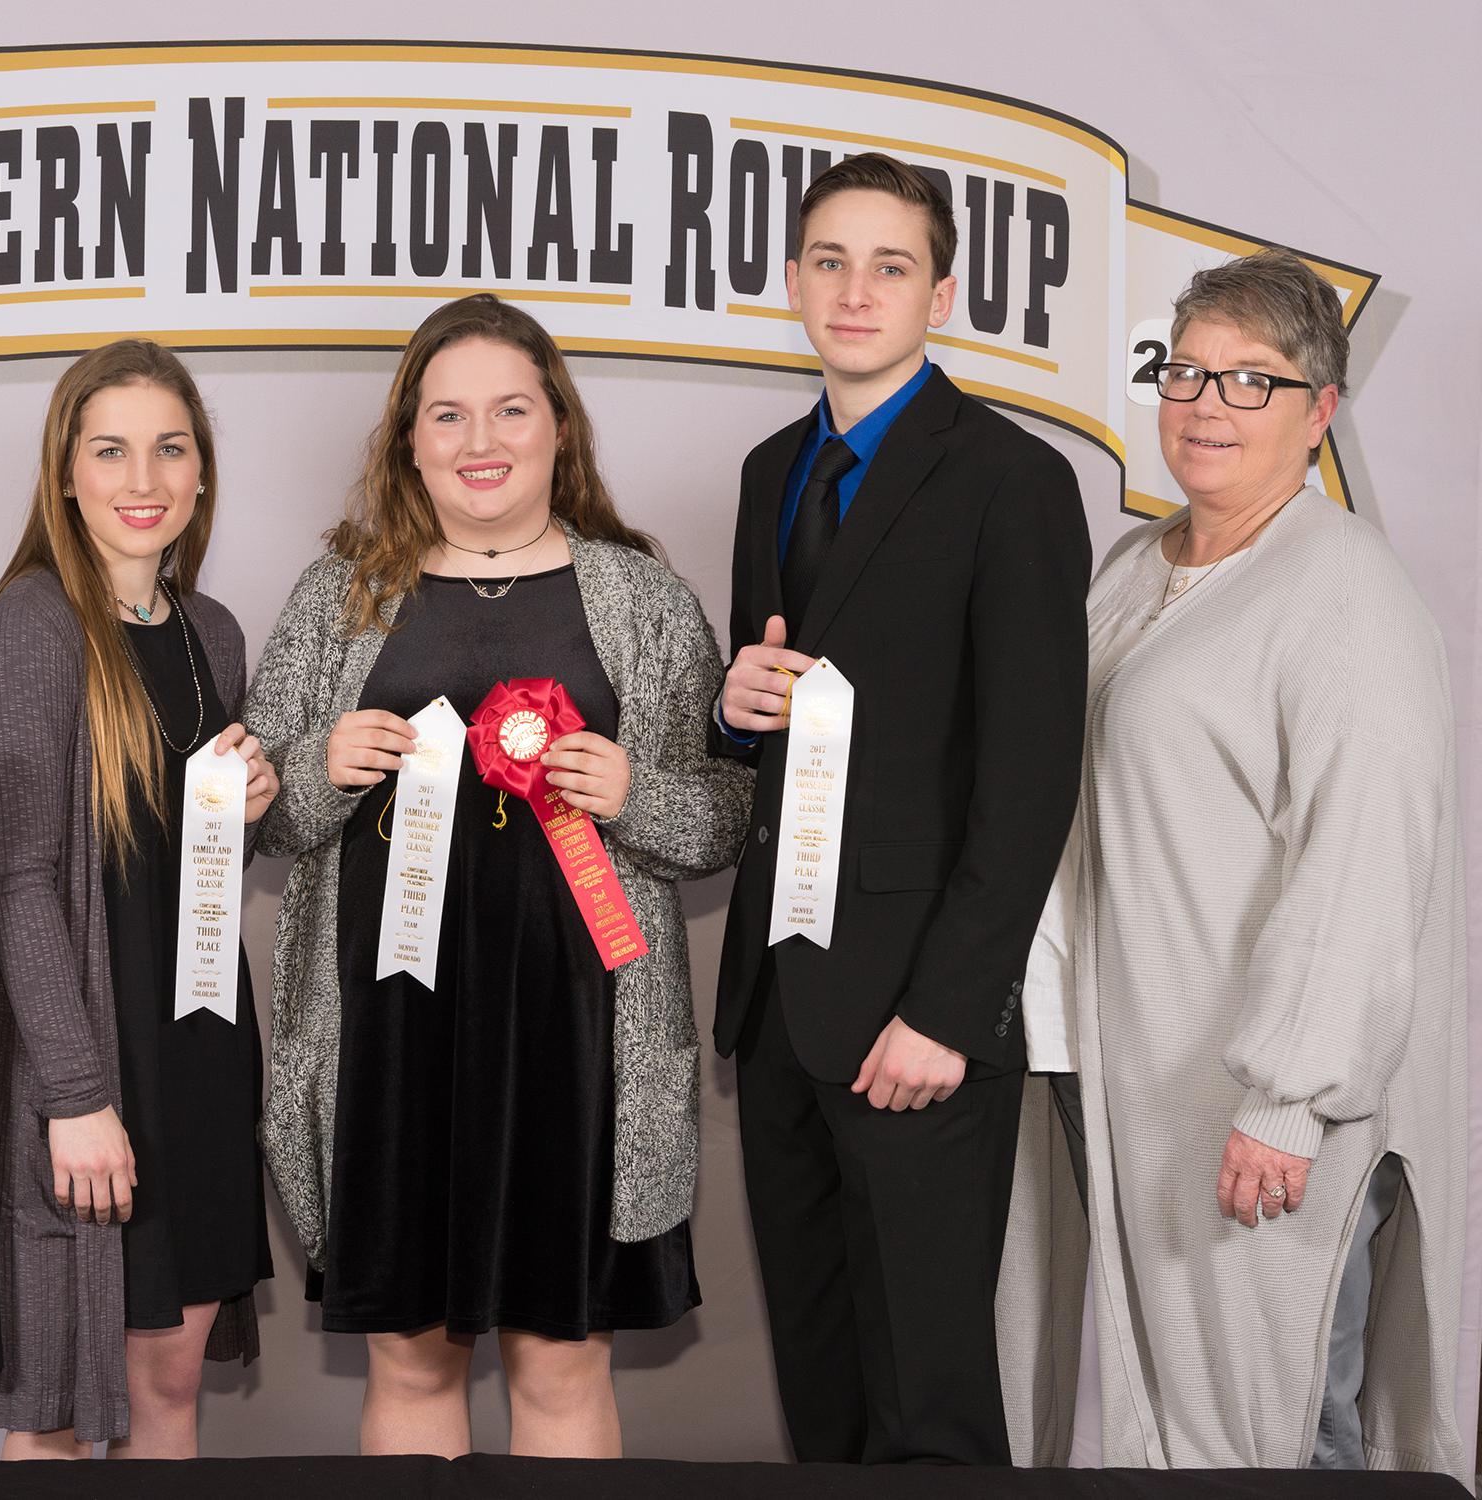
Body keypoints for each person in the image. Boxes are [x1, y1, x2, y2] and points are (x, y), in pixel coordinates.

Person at [242, 293, 750, 1458]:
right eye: (448, 414)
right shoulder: (338, 597)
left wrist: (637, 795)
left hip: (578, 1042)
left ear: (556, 427)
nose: (481, 441)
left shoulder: (641, 598)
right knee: (410, 1368)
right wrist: (312, 769)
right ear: (407, 440)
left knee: (561, 1370)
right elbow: (261, 808)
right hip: (385, 1042)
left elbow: (724, 814)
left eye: (510, 409)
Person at [1018, 248, 1465, 1474]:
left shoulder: (1343, 592)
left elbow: (1364, 858)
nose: (1206, 404)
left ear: (1319, 411)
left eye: (1251, 382)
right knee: (1176, 1423)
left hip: (1267, 1110)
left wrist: (1288, 1097)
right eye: (1185, 371)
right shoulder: (1131, 569)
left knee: (1271, 1423)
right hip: (1143, 1082)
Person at [711, 153, 1090, 1465]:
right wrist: (731, 705)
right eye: (829, 261)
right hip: (780, 1010)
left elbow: (1033, 774)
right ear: (794, 283)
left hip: (915, 1019)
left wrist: (949, 1010)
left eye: (889, 265)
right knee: (821, 1397)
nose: (855, 290)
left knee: (928, 1404)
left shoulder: (1011, 481)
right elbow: (786, 722)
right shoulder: (772, 471)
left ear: (941, 292)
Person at [0, 340, 278, 1457]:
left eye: (169, 447)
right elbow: (12, 880)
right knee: (54, 1410)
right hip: (91, 1064)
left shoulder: (214, 634)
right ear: (65, 472)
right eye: (109, 449)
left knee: (167, 1395)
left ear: (199, 473)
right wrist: (73, 1092)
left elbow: (177, 875)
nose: (141, 478)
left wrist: (246, 811)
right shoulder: (35, 624)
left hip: (199, 1053)